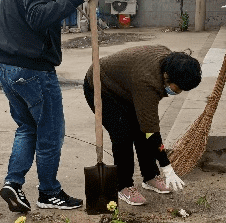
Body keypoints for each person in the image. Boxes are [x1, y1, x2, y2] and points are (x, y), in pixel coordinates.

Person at [0, 0, 100, 213]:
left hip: (8, 66)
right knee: (51, 132)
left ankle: (13, 184)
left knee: (28, 127)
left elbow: (33, 10)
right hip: (32, 70)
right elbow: (39, 16)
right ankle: (49, 192)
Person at [83, 45, 202, 206]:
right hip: (102, 86)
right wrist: (166, 166)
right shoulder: (147, 82)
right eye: (178, 88)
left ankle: (150, 176)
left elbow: (147, 128)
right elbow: (151, 130)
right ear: (167, 76)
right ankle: (123, 185)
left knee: (141, 131)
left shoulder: (170, 62)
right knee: (123, 135)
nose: (179, 92)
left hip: (127, 88)